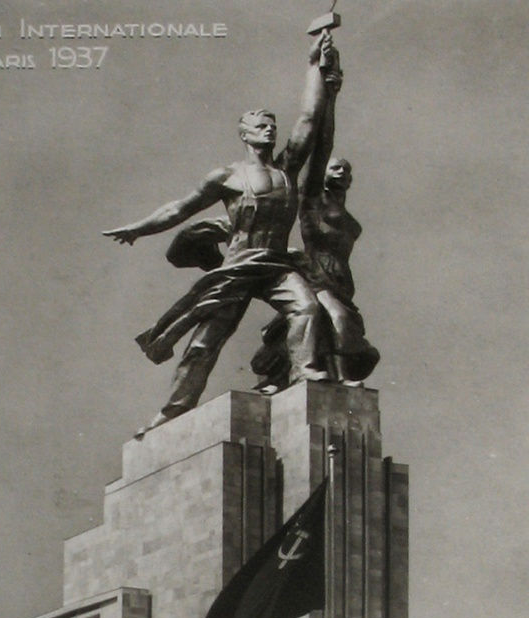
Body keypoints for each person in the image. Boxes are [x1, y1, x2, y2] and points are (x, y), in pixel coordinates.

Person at [103, 31, 337, 437]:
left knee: (307, 310)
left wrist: (314, 65)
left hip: (276, 263)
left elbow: (310, 119)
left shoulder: (286, 169)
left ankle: (307, 378)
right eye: (261, 126)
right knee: (203, 344)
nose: (270, 131)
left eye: (272, 126)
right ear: (244, 134)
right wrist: (139, 229)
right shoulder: (227, 176)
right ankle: (171, 412)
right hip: (237, 266)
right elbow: (180, 207)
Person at [252, 44, 379, 391]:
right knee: (332, 320)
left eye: (346, 170)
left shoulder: (349, 219)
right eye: (335, 167)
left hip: (341, 280)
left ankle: (321, 376)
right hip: (315, 271)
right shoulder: (312, 201)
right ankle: (329, 376)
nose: (340, 172)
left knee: (333, 323)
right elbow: (322, 143)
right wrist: (331, 93)